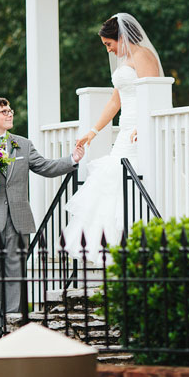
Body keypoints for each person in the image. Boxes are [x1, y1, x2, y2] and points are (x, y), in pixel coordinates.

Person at [0, 97, 85, 341]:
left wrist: (72, 160)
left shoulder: (23, 145)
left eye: (10, 110)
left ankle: (13, 320)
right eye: (4, 111)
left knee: (16, 274)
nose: (9, 114)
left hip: (18, 220)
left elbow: (45, 166)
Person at [64, 13, 163, 263]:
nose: (109, 50)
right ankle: (122, 249)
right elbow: (115, 100)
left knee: (139, 181)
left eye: (109, 44)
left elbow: (155, 93)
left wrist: (145, 124)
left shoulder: (143, 56)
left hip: (140, 131)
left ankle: (143, 244)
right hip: (125, 130)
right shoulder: (123, 62)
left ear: (121, 37)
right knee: (113, 186)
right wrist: (93, 131)